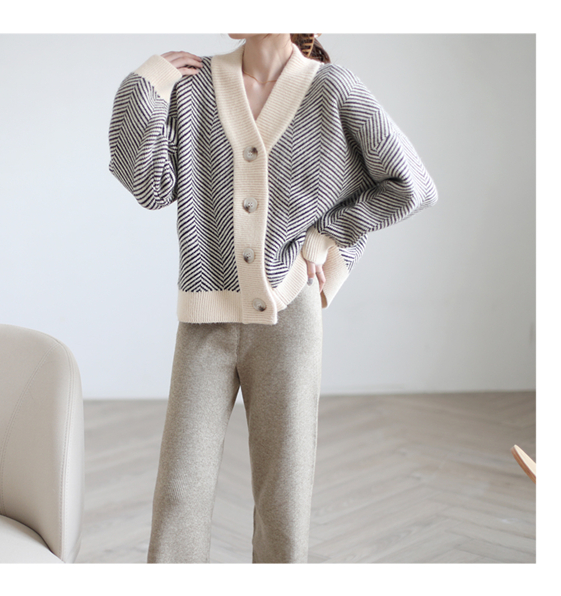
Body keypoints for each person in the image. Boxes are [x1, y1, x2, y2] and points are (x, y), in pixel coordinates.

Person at [108, 33, 437, 564]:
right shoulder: (192, 85)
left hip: (290, 318)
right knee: (178, 496)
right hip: (206, 320)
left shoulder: (333, 89)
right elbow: (150, 187)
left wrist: (326, 235)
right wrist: (144, 87)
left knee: (283, 502)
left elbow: (410, 183)